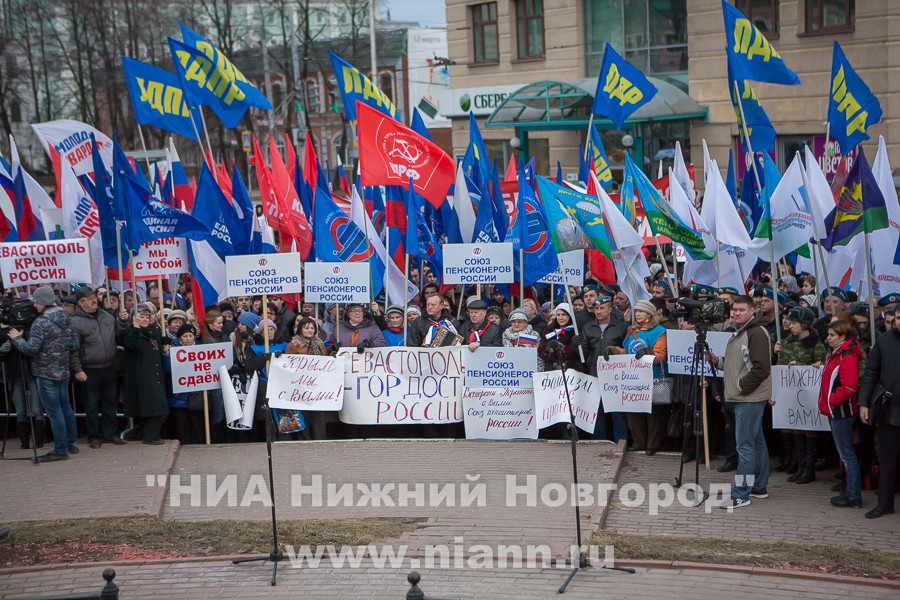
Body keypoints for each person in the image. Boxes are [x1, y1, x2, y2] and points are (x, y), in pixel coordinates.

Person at [705, 295, 772, 509]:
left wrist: (742, 387)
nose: (736, 313)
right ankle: (759, 487)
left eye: (742, 309)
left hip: (748, 398)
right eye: (734, 310)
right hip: (743, 396)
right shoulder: (742, 332)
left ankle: (741, 493)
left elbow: (762, 369)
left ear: (753, 311)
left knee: (744, 445)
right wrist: (718, 362)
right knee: (756, 442)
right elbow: (740, 364)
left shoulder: (756, 333)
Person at [8, 285, 80, 461]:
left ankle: (61, 450)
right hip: (63, 370)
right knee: (66, 409)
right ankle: (72, 444)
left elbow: (31, 349)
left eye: (36, 303)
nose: (35, 306)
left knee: (55, 412)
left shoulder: (41, 322)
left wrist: (16, 338)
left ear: (43, 303)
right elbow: (75, 345)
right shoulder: (67, 318)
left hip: (45, 372)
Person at [70, 286, 127, 449]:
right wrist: (78, 369)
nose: (95, 300)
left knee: (110, 402)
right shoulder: (75, 322)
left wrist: (122, 322)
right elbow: (73, 349)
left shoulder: (107, 316)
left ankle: (111, 434)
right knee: (92, 404)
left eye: (95, 296)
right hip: (89, 369)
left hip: (109, 366)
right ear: (81, 303)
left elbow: (117, 334)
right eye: (90, 298)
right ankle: (94, 436)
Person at [773, 307, 826, 483]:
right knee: (795, 428)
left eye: (794, 323)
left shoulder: (816, 345)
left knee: (809, 431)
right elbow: (780, 366)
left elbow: (820, 368)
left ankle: (808, 468)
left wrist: (811, 365)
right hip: (790, 394)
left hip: (808, 397)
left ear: (805, 325)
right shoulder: (788, 342)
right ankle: (800, 465)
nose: (791, 325)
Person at [609, 299, 668, 454]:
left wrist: (649, 354)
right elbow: (628, 351)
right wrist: (616, 351)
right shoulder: (631, 330)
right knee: (635, 411)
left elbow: (661, 355)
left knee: (653, 414)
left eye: (641, 311)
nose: (637, 313)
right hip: (633, 378)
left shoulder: (659, 331)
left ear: (649, 313)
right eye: (636, 311)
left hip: (652, 377)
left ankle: (653, 444)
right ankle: (638, 442)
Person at [858, 304, 900, 519]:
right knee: (887, 459)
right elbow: (871, 373)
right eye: (898, 317)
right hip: (888, 409)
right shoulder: (884, 340)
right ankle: (885, 504)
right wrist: (863, 403)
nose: (899, 321)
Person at [816, 320, 863, 509]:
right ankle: (851, 491)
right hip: (836, 410)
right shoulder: (836, 354)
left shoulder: (847, 356)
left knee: (847, 455)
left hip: (841, 412)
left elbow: (849, 386)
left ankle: (853, 496)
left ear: (842, 337)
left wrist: (831, 401)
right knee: (845, 454)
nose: (827, 338)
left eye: (831, 335)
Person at [583, 296, 629, 442]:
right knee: (596, 412)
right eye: (596, 308)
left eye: (602, 308)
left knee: (618, 413)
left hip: (615, 376)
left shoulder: (621, 327)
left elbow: (627, 349)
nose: (599, 311)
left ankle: (621, 442)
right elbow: (583, 353)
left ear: (610, 309)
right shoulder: (588, 327)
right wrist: (579, 343)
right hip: (594, 374)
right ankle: (598, 442)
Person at [122, 303, 169, 445]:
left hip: (154, 373)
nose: (145, 319)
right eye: (141, 317)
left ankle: (146, 434)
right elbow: (131, 344)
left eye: (147, 317)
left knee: (155, 405)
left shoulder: (153, 332)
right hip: (142, 375)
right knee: (154, 405)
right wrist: (135, 328)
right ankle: (150, 436)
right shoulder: (131, 332)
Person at [286, 316, 331, 439]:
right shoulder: (293, 345)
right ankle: (304, 440)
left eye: (312, 328)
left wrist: (333, 354)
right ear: (300, 329)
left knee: (318, 415)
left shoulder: (320, 344)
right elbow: (289, 365)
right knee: (303, 414)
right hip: (301, 385)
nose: (310, 330)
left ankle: (320, 439)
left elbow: (326, 362)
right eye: (306, 328)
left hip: (317, 386)